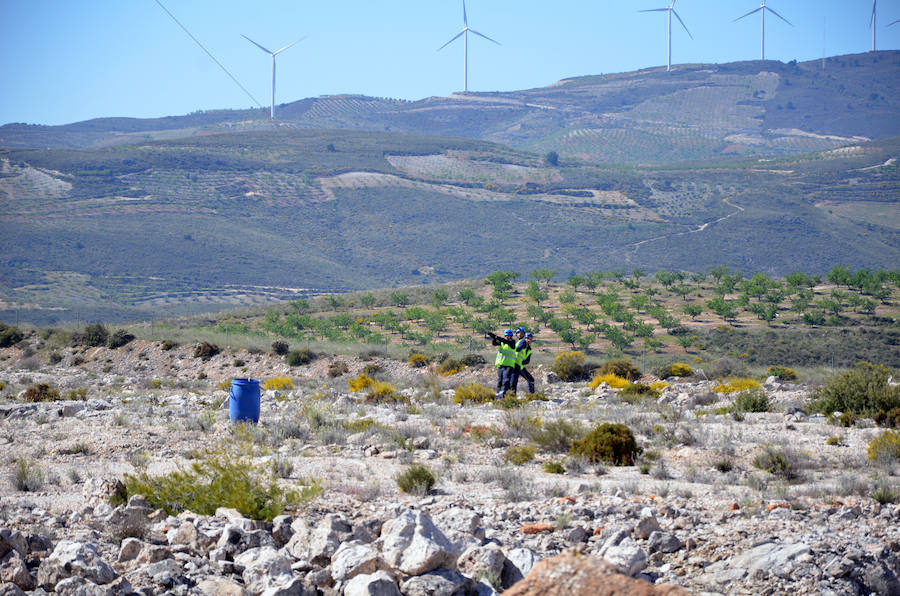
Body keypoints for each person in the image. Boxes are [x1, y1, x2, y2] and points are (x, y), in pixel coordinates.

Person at [486, 328, 517, 399]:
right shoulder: (502, 342)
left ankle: (504, 395)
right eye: (506, 336)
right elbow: (494, 343)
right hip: (501, 365)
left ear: (511, 336)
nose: (507, 337)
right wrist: (493, 338)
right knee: (500, 381)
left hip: (509, 365)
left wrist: (496, 337)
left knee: (506, 380)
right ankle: (498, 394)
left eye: (509, 336)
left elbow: (504, 341)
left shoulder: (512, 342)